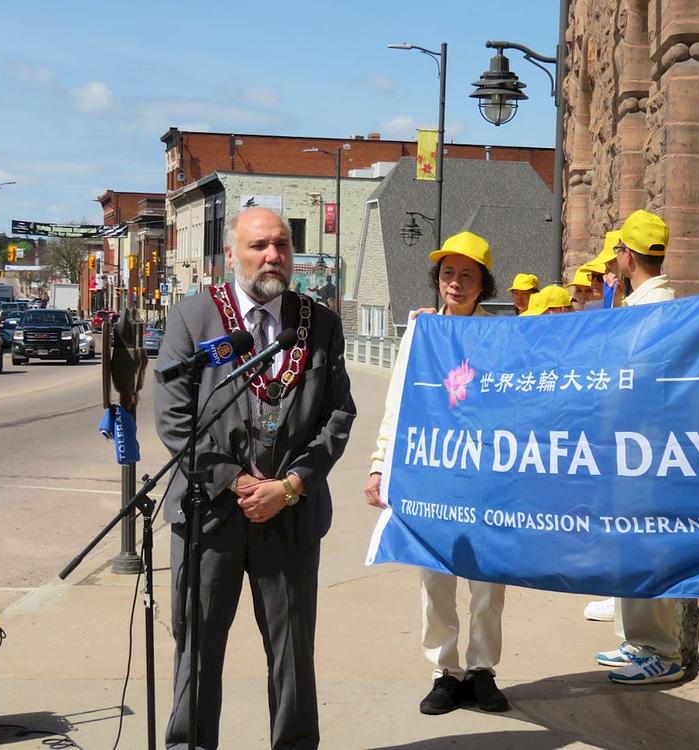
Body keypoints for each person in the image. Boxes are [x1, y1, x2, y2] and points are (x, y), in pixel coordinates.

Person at [154, 206, 356, 750]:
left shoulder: (320, 324)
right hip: (209, 514)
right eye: (259, 245)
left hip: (290, 513)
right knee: (197, 648)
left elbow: (338, 417)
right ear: (231, 255)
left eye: (282, 245)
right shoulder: (194, 319)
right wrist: (237, 482)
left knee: (292, 653)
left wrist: (290, 487)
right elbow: (175, 418)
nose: (273, 256)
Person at [364, 231, 510, 716]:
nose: (455, 283)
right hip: (432, 472)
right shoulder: (420, 334)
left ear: (483, 284)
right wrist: (380, 465)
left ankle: (482, 669)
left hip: (486, 475)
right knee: (435, 576)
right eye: (448, 273)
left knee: (488, 579)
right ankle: (444, 671)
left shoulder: (499, 337)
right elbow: (398, 403)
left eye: (467, 275)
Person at [592, 209, 686, 685]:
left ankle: (661, 650)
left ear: (627, 256)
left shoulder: (657, 306)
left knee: (644, 547)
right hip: (632, 447)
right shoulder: (645, 303)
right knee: (629, 545)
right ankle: (638, 640)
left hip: (645, 451)